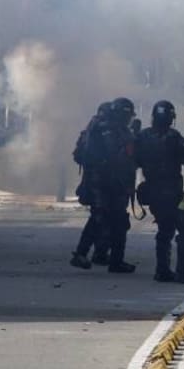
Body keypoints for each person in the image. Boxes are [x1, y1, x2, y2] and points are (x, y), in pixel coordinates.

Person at [134, 100, 184, 283]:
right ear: (171, 118)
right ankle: (182, 272)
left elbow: (134, 161)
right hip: (174, 194)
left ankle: (162, 270)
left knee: (165, 230)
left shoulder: (143, 137)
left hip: (153, 194)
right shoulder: (174, 137)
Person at [70, 97, 138, 273]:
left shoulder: (111, 129)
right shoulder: (108, 130)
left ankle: (110, 259)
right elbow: (116, 156)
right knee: (103, 219)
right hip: (104, 182)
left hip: (108, 182)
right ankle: (85, 254)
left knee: (111, 220)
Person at [72, 101, 113, 265]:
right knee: (99, 217)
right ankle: (81, 252)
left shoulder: (89, 132)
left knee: (103, 217)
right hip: (100, 182)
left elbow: (77, 156)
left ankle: (100, 252)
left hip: (93, 181)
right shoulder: (104, 132)